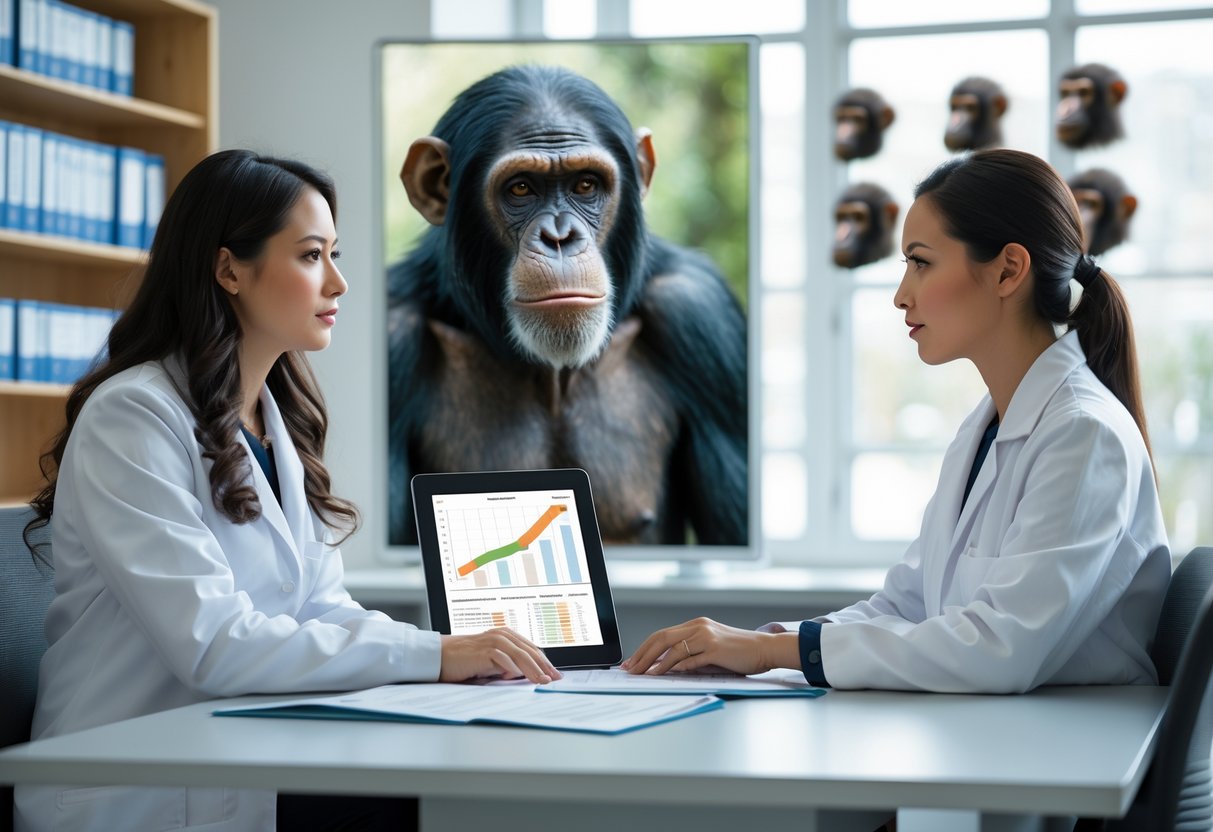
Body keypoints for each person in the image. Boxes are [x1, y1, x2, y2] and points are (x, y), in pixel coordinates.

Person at [16, 149, 560, 832]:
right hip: (131, 792)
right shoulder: (133, 416)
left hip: (235, 760)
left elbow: (321, 608)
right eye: (310, 256)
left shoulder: (274, 419)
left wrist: (452, 651)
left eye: (335, 254)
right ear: (229, 270)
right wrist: (432, 656)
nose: (338, 282)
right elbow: (213, 644)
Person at [624, 148, 1170, 694]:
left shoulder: (1084, 434)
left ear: (1008, 270)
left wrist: (770, 652)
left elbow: (1000, 647)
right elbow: (905, 605)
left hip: (1077, 737)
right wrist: (759, 644)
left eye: (921, 262)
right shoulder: (985, 429)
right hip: (1004, 727)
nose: (900, 295)